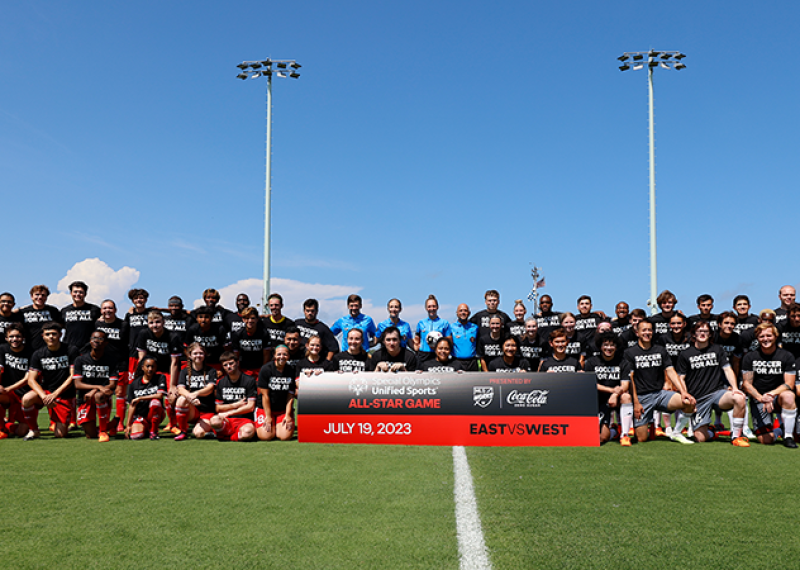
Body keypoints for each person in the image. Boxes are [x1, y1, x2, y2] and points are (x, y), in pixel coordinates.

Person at [674, 321, 749, 446]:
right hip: (699, 398)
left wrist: (735, 388)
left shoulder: (717, 350)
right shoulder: (685, 354)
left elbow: (727, 369)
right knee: (699, 437)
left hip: (717, 393)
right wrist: (686, 394)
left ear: (710, 334)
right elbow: (681, 378)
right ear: (694, 334)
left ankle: (736, 436)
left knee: (739, 397)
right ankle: (712, 432)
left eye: (706, 331)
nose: (702, 334)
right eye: (699, 331)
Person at [624, 320, 696, 444]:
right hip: (642, 397)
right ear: (637, 332)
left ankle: (676, 432)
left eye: (650, 330)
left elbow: (671, 371)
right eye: (644, 330)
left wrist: (683, 392)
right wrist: (636, 402)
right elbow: (630, 379)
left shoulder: (660, 350)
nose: (647, 333)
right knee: (641, 439)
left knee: (689, 402)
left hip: (660, 394)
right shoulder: (629, 353)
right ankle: (649, 423)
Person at [741, 323, 797, 447]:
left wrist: (771, 394)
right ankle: (781, 429)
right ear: (757, 338)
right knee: (766, 440)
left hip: (778, 397)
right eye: (761, 336)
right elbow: (747, 384)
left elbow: (789, 384)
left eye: (769, 335)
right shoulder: (750, 357)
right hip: (759, 398)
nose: (765, 339)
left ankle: (788, 436)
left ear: (776, 336)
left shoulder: (786, 356)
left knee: (788, 396)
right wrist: (761, 398)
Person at [20, 322, 79, 440]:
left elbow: (73, 376)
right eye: (47, 334)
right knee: (26, 399)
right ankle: (34, 430)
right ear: (43, 336)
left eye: (54, 334)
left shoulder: (71, 350)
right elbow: (31, 380)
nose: (50, 337)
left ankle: (57, 420)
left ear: (60, 335)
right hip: (46, 392)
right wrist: (43, 396)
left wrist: (55, 394)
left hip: (63, 394)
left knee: (60, 435)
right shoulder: (38, 354)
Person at [136, 310, 182, 433]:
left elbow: (175, 362)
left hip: (167, 369)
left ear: (163, 322)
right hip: (151, 370)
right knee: (144, 395)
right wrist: (142, 377)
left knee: (170, 396)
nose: (154, 325)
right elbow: (142, 358)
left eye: (157, 322)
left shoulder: (173, 336)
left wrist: (172, 385)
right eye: (151, 322)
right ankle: (145, 421)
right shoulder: (143, 334)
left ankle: (173, 424)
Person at [584, 332, 632, 446]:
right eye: (605, 345)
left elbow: (625, 385)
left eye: (612, 345)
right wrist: (611, 391)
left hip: (617, 398)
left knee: (626, 396)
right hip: (597, 400)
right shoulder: (591, 362)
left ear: (616, 347)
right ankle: (614, 430)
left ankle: (625, 435)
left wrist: (615, 395)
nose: (608, 348)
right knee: (602, 438)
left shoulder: (623, 362)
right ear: (600, 346)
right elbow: (591, 384)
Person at [73, 330, 118, 442]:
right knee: (90, 435)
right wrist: (97, 387)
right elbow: (77, 384)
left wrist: (96, 391)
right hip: (85, 398)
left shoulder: (111, 360)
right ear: (90, 341)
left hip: (102, 396)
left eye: (100, 339)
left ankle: (103, 431)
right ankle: (111, 424)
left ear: (106, 343)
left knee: (98, 395)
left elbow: (112, 384)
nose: (96, 341)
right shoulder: (80, 360)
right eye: (94, 338)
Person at [95, 299, 129, 433]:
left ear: (115, 310)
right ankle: (108, 423)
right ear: (101, 311)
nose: (107, 310)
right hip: (104, 364)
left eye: (110, 308)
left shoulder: (124, 324)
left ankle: (119, 423)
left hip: (121, 362)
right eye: (104, 308)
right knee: (105, 393)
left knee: (120, 393)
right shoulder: (97, 324)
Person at [174, 343, 217, 441]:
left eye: (201, 353)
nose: (198, 356)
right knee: (181, 399)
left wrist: (195, 394)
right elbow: (180, 389)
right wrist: (191, 398)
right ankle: (183, 431)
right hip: (193, 409)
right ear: (190, 355)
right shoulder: (184, 371)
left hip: (207, 410)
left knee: (198, 433)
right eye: (195, 353)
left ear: (205, 355)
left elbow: (210, 388)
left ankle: (209, 430)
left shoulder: (211, 371)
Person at [210, 352, 257, 442]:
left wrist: (228, 413)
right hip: (226, 420)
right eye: (225, 365)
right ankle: (230, 433)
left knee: (247, 433)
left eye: (231, 363)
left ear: (237, 363)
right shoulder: (221, 382)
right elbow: (218, 408)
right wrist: (236, 405)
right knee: (214, 421)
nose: (229, 366)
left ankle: (227, 436)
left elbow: (250, 407)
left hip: (244, 419)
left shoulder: (249, 381)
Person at [256, 345, 296, 441]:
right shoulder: (266, 369)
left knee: (285, 437)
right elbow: (265, 395)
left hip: (282, 410)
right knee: (266, 436)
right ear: (274, 355)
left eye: (285, 354)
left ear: (288, 356)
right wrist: (268, 417)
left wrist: (287, 415)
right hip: (265, 409)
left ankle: (278, 425)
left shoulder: (291, 370)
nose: (282, 357)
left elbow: (290, 396)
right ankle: (272, 423)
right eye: (279, 354)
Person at [0, 324, 32, 438]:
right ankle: (1, 428)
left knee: (22, 432)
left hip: (23, 393)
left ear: (23, 338)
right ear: (6, 338)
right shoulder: (2, 349)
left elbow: (28, 378)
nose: (14, 339)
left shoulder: (31, 352)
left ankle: (7, 426)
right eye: (11, 336)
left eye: (18, 336)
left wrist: (9, 388)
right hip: (6, 392)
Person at [124, 356, 167, 440]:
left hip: (157, 413)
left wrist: (140, 398)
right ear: (142, 367)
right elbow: (132, 405)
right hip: (141, 417)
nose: (150, 369)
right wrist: (128, 425)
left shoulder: (160, 378)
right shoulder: (134, 384)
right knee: (136, 436)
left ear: (156, 368)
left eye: (153, 366)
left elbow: (160, 395)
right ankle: (147, 429)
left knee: (155, 402)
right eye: (147, 366)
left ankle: (153, 431)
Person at [19, 285, 63, 352]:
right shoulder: (23, 312)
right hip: (29, 349)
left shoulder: (53, 311)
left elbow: (61, 325)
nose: (40, 297)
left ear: (46, 297)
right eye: (37, 294)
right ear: (31, 296)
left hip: (50, 349)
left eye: (43, 295)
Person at [184, 306, 228, 371]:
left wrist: (222, 369)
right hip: (198, 363)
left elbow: (227, 350)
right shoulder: (192, 329)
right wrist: (192, 362)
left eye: (207, 317)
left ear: (211, 318)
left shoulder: (219, 329)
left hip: (216, 363)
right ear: (196, 318)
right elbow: (186, 348)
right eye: (200, 317)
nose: (203, 320)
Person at [229, 307, 270, 377]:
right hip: (243, 369)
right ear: (243, 319)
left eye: (253, 318)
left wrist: (263, 371)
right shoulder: (237, 334)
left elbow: (266, 355)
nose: (250, 321)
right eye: (247, 318)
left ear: (257, 319)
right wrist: (238, 372)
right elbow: (236, 356)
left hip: (259, 369)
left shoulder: (264, 333)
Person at [60, 281, 101, 350]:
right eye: (75, 292)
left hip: (88, 349)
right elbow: (60, 326)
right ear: (71, 293)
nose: (78, 294)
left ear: (85, 294)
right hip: (68, 348)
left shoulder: (94, 309)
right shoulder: (64, 311)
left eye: (81, 292)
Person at [414, 295, 451, 364]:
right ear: (426, 308)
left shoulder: (444, 323)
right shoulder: (421, 323)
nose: (432, 308)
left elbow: (449, 341)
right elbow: (416, 340)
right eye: (429, 306)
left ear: (437, 307)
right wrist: (417, 348)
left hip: (438, 355)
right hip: (423, 355)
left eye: (434, 306)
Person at [451, 304, 479, 371]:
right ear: (457, 313)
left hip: (472, 362)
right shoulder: (451, 327)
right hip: (456, 361)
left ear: (469, 313)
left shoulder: (475, 327)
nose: (463, 313)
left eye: (465, 311)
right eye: (460, 311)